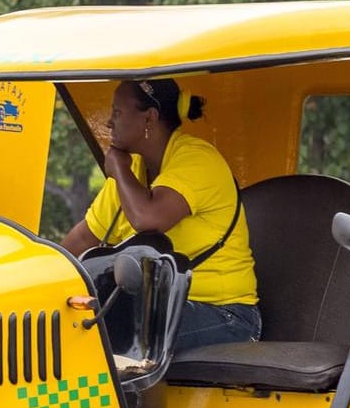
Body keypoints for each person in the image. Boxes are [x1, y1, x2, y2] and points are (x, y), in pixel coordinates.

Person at [60, 78, 259, 353]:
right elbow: (84, 236)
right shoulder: (132, 173)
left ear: (149, 118)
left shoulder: (198, 161)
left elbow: (148, 219)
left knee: (113, 331)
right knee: (68, 322)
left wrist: (117, 168)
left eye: (117, 112)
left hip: (226, 316)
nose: (108, 123)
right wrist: (41, 275)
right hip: (160, 307)